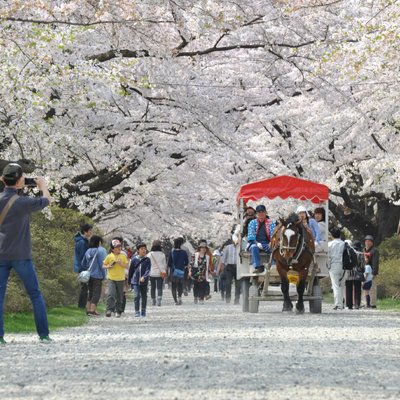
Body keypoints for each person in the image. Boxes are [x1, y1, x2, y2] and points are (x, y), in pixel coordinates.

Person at [0, 163, 53, 343]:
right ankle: (44, 335)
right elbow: (46, 200)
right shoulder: (24, 203)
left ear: (2, 179)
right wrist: (42, 186)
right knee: (35, 294)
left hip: (1, 255)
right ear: (21, 180)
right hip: (21, 255)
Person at [80, 235, 107, 316]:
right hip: (97, 276)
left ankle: (88, 309)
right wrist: (104, 275)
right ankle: (92, 310)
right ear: (99, 242)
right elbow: (102, 265)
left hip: (89, 275)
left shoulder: (87, 251)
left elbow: (83, 263)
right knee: (96, 293)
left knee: (90, 292)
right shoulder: (100, 251)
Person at [103, 239, 129, 318]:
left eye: (119, 247)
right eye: (117, 247)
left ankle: (118, 311)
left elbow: (127, 266)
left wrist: (121, 264)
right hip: (111, 278)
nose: (119, 248)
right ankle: (109, 310)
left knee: (119, 295)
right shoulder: (109, 256)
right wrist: (108, 266)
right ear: (112, 249)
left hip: (121, 279)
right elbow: (103, 265)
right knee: (111, 294)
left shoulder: (123, 256)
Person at [247, 204, 276, 273]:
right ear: (256, 213)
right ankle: (257, 266)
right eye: (259, 212)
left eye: (263, 211)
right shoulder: (252, 222)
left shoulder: (271, 222)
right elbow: (251, 235)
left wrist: (271, 243)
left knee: (275, 249)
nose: (261, 213)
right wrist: (257, 243)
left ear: (266, 212)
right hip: (255, 243)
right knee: (254, 247)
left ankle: (274, 266)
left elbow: (273, 235)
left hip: (268, 243)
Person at [73, 223, 93, 309]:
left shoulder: (83, 241)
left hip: (82, 267)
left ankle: (82, 305)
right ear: (85, 231)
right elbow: (82, 256)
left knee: (84, 287)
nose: (91, 232)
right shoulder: (81, 242)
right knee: (84, 287)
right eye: (90, 230)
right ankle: (81, 306)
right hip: (82, 267)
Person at [129, 243, 151, 317]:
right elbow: (131, 271)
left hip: (144, 281)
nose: (143, 250)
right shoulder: (134, 259)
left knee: (144, 296)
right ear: (138, 250)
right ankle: (137, 311)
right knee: (136, 296)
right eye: (141, 249)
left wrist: (144, 277)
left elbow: (148, 270)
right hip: (135, 281)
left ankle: (143, 310)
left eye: (144, 249)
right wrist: (129, 281)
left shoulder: (147, 260)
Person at [328, 227, 345, 310]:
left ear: (332, 235)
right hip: (344, 267)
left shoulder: (330, 244)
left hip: (334, 265)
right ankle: (341, 304)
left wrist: (328, 266)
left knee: (335, 285)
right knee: (341, 285)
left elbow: (328, 256)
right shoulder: (344, 243)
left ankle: (337, 304)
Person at [167, 238, 188, 305]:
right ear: (181, 244)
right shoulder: (184, 252)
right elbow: (186, 262)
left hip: (173, 271)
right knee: (180, 285)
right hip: (181, 270)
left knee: (173, 286)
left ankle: (175, 301)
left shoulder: (172, 252)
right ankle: (179, 297)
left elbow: (169, 263)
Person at [344, 240, 363, 310]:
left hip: (349, 273)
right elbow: (362, 265)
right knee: (357, 289)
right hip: (357, 274)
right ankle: (357, 304)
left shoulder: (348, 252)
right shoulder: (360, 254)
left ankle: (349, 305)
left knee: (349, 289)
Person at [220, 239, 240, 304]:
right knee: (228, 282)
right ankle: (228, 298)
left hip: (238, 267)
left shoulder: (241, 247)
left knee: (238, 284)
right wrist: (222, 266)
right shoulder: (228, 247)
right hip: (229, 267)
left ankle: (237, 299)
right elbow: (223, 258)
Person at [148, 240, 167, 307]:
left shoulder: (150, 254)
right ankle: (159, 300)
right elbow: (164, 264)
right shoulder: (162, 254)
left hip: (152, 272)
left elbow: (148, 263)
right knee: (159, 287)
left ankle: (153, 300)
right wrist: (164, 270)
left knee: (153, 287)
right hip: (160, 272)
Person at [364, 235, 379, 308]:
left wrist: (374, 273)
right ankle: (366, 303)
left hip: (372, 272)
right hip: (365, 272)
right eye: (366, 241)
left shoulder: (375, 250)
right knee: (365, 288)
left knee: (372, 288)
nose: (367, 243)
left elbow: (375, 262)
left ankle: (373, 304)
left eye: (369, 241)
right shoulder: (365, 250)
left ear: (372, 242)